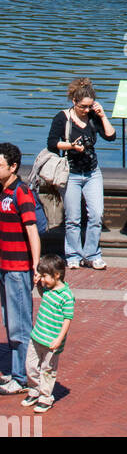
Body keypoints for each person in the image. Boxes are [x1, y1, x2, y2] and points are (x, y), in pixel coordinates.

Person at [47, 78, 115, 269]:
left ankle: (92, 254)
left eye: (90, 106)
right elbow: (52, 143)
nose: (86, 110)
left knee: (96, 214)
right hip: (71, 172)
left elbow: (111, 136)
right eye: (83, 107)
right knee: (73, 218)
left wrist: (102, 116)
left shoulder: (93, 116)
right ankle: (74, 255)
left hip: (92, 172)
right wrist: (71, 146)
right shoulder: (62, 118)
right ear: (74, 102)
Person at [0, 142, 40, 396]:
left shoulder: (21, 192)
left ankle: (22, 377)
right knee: (9, 321)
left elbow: (32, 229)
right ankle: (16, 372)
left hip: (17, 268)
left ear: (13, 167)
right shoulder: (2, 192)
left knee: (20, 325)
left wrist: (35, 265)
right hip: (3, 268)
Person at [22, 254, 74, 413]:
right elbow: (43, 294)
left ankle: (45, 397)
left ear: (57, 275)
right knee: (30, 365)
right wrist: (38, 285)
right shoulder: (48, 289)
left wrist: (60, 339)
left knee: (48, 369)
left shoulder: (67, 296)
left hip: (52, 341)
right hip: (37, 336)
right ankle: (34, 389)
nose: (42, 280)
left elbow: (67, 319)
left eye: (45, 276)